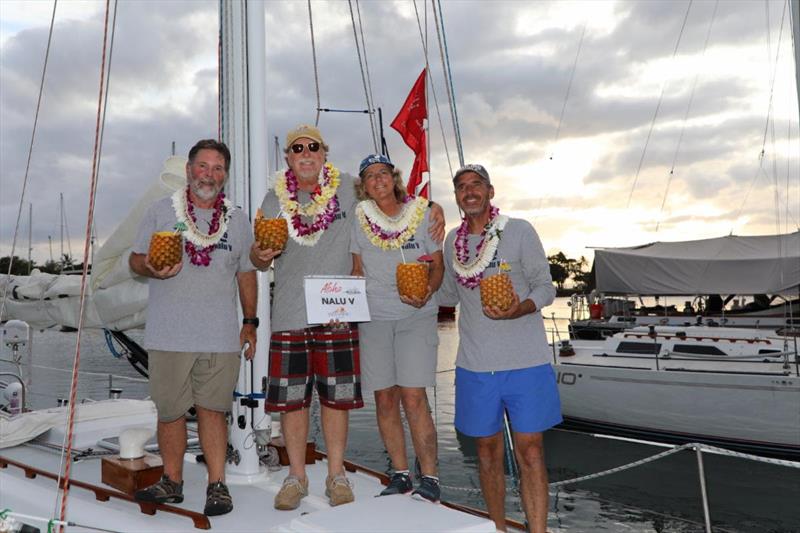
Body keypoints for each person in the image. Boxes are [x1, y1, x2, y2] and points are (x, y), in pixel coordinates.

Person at [250, 125, 445, 510]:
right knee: (292, 402)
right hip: (290, 310)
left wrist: (434, 206)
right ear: (288, 157)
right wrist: (260, 255)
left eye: (314, 147)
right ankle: (296, 477)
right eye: (297, 149)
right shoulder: (274, 200)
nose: (306, 154)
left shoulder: (348, 190)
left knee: (336, 400)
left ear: (325, 153)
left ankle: (336, 474)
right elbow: (258, 259)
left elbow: (394, 195)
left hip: (338, 313)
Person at [130, 139, 257, 516]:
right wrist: (150, 266)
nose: (210, 175)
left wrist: (249, 322)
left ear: (225, 176)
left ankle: (217, 485)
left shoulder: (237, 218)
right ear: (188, 170)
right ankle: (172, 481)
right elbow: (135, 260)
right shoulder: (160, 212)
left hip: (219, 335)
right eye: (203, 166)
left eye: (218, 169)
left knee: (212, 410)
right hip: (169, 335)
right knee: (169, 412)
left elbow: (246, 274)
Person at [439, 164, 561, 532]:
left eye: (477, 184)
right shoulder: (451, 242)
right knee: (487, 454)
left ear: (491, 191)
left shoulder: (519, 230)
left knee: (531, 452)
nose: (469, 191)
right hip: (476, 366)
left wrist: (519, 308)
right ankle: (498, 528)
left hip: (527, 363)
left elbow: (545, 287)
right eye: (462, 186)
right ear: (458, 197)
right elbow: (447, 294)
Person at [350, 154, 444, 502]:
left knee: (414, 397)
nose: (377, 179)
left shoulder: (421, 213)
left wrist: (428, 291)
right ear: (364, 185)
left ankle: (431, 476)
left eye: (382, 173)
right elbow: (356, 268)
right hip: (374, 317)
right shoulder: (359, 219)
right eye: (370, 175)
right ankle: (401, 473)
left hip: (416, 316)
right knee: (385, 399)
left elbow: (438, 265)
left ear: (394, 177)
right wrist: (340, 301)